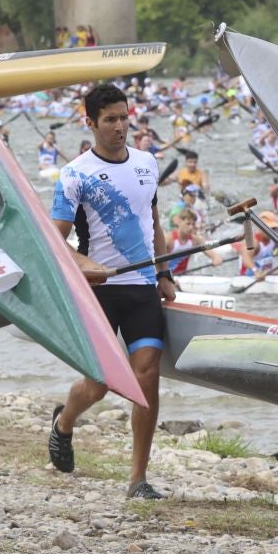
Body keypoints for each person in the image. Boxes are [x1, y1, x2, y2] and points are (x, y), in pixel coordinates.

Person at [47, 82, 177, 502]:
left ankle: (137, 479)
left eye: (124, 117)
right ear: (90, 123)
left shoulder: (147, 163)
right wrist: (86, 265)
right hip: (99, 290)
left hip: (140, 288)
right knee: (101, 384)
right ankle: (64, 423)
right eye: (110, 120)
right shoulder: (74, 175)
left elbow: (152, 224)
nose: (120, 126)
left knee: (147, 375)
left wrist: (164, 273)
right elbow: (55, 241)